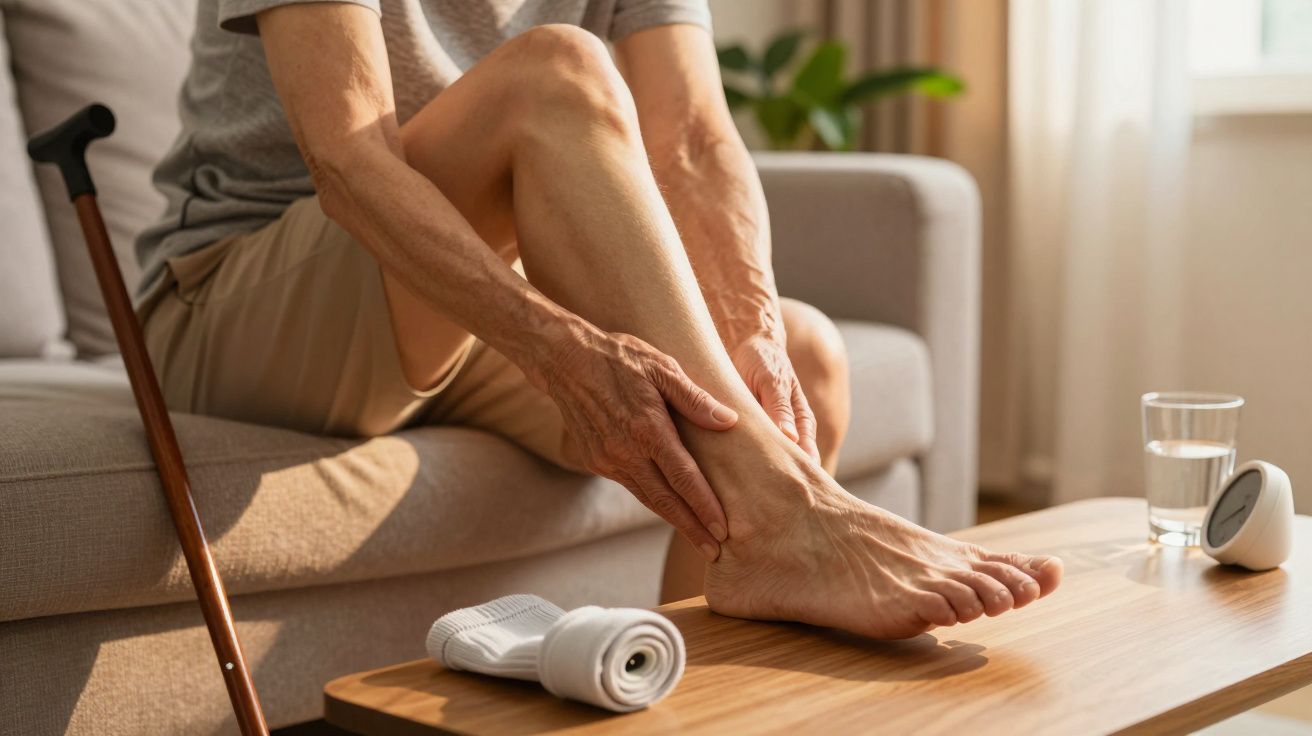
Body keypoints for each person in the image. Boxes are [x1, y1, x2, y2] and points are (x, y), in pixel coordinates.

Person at [136, 0, 1061, 640]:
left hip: (457, 307)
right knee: (556, 70)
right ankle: (793, 517)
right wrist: (558, 345)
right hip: (244, 302)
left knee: (808, 357)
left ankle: (699, 708)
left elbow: (694, 141)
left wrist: (757, 344)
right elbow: (348, 161)